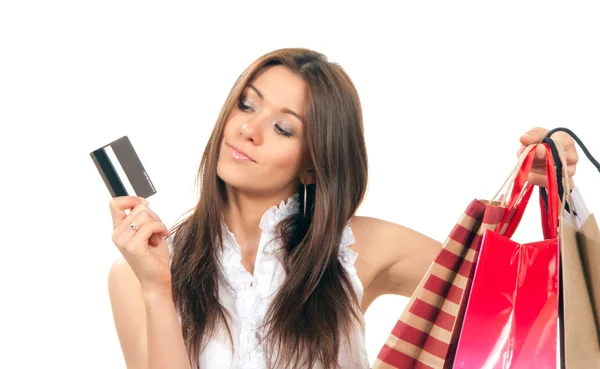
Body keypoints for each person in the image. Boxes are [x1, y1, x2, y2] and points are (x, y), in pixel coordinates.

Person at [107, 48, 580, 369]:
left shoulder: (361, 248)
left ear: (314, 164)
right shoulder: (137, 274)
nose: (249, 130)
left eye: (284, 128)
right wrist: (156, 288)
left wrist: (555, 188)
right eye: (247, 106)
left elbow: (520, 302)